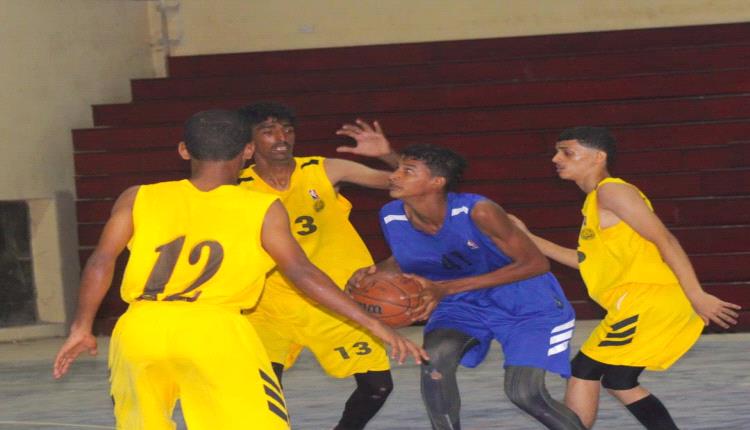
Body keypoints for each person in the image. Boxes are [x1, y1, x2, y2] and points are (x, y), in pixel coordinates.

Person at [52, 109, 426, 430]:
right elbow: (302, 273)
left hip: (139, 328)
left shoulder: (138, 196)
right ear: (247, 151)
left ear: (184, 150)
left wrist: (82, 327)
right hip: (216, 328)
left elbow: (101, 261)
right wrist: (372, 323)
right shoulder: (260, 207)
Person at [510, 126, 741, 429]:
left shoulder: (613, 191)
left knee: (585, 370)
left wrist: (696, 294)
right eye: (556, 152)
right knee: (619, 380)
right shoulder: (595, 201)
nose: (556, 158)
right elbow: (585, 261)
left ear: (598, 157)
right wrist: (526, 237)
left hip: (649, 300)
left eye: (567, 152)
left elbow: (665, 239)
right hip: (636, 302)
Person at [350, 144, 586, 430]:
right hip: (461, 302)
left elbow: (535, 263)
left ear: (437, 182)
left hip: (526, 300)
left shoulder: (479, 211)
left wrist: (447, 288)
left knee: (525, 393)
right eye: (398, 169)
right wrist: (373, 275)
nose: (394, 175)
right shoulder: (391, 215)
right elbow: (408, 258)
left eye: (407, 171)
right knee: (435, 361)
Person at [236, 102, 403, 430]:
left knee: (378, 387)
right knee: (263, 394)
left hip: (335, 300)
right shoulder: (235, 187)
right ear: (248, 143)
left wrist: (388, 155)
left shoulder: (324, 170)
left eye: (287, 130)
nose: (282, 137)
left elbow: (410, 182)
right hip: (269, 307)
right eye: (268, 131)